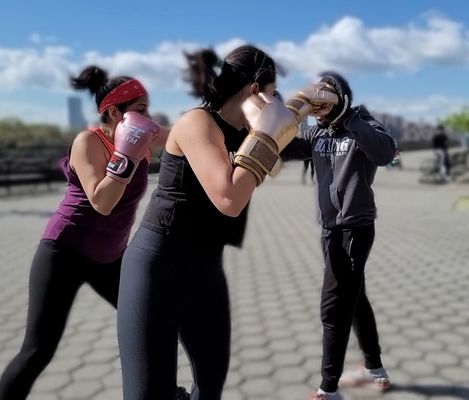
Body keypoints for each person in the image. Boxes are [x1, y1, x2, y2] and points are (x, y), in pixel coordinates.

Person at [116, 45, 338, 400]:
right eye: (271, 93)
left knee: (210, 383)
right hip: (157, 265)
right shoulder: (196, 122)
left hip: (204, 267)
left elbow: (303, 142)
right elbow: (229, 199)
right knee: (146, 394)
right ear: (254, 90)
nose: (273, 101)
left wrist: (315, 104)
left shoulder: (245, 132)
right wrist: (267, 132)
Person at [0, 65, 168, 400]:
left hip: (109, 256)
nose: (147, 118)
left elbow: (187, 135)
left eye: (148, 109)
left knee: (155, 320)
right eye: (139, 110)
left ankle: (159, 392)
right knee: (37, 350)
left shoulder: (146, 134)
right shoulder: (88, 141)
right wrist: (125, 154)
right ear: (114, 112)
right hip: (64, 252)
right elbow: (102, 201)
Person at [282, 71, 396, 400]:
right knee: (354, 297)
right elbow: (284, 148)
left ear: (341, 95)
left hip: (356, 228)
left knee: (334, 305)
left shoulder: (364, 123)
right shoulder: (317, 133)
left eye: (325, 93)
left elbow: (386, 153)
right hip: (330, 229)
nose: (318, 101)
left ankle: (328, 387)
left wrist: (347, 115)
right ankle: (375, 366)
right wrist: (275, 114)